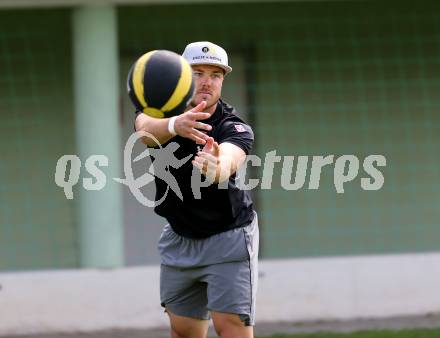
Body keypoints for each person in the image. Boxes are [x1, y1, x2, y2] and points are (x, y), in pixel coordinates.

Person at [134, 41, 259, 338]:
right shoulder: (161, 113)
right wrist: (177, 124)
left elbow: (230, 157)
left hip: (228, 234)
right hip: (179, 234)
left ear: (223, 81)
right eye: (198, 72)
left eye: (215, 75)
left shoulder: (232, 125)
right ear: (183, 77)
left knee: (230, 328)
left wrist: (217, 166)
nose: (207, 81)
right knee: (184, 330)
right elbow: (145, 130)